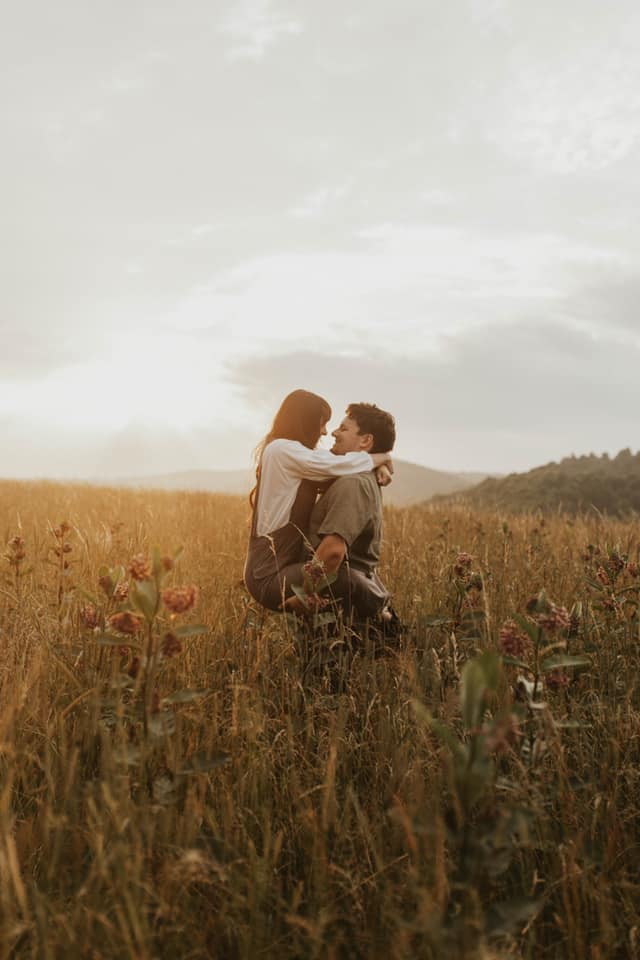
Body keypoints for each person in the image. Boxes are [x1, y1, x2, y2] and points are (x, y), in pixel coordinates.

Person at [244, 390, 393, 611]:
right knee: (341, 575)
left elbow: (335, 463)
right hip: (267, 573)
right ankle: (384, 614)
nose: (325, 432)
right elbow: (336, 464)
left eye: (339, 427)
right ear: (304, 422)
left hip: (282, 566)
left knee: (339, 573)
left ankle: (383, 618)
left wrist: (377, 461)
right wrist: (383, 457)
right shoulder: (281, 450)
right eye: (321, 423)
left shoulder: (295, 455)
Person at [281, 402, 397, 625]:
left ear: (365, 441)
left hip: (344, 607)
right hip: (344, 597)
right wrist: (380, 460)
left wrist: (304, 598)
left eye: (343, 429)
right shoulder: (354, 475)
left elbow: (333, 551)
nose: (333, 432)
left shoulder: (353, 483)